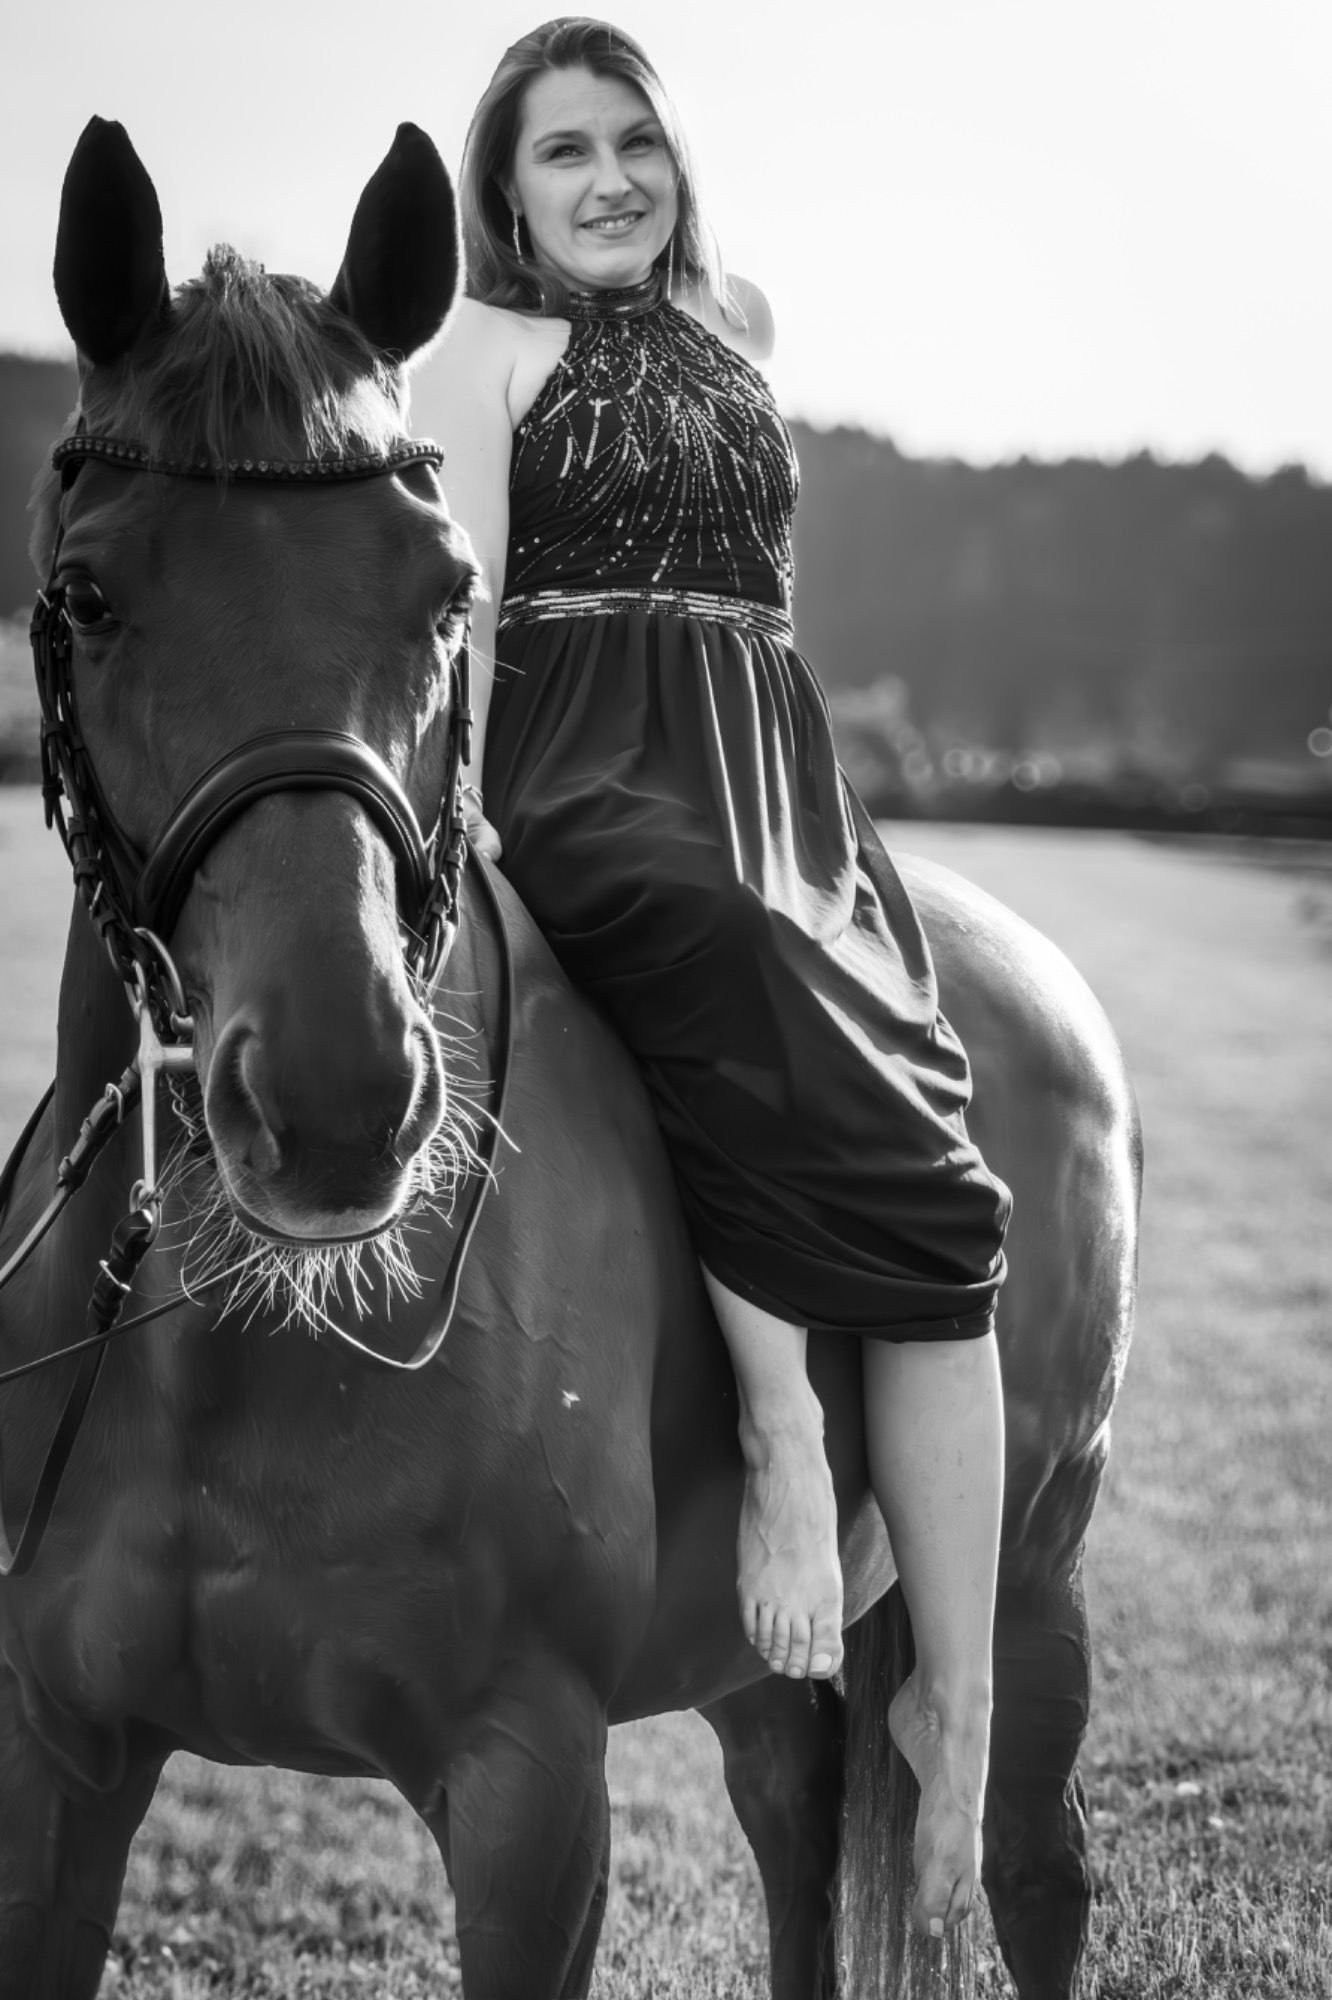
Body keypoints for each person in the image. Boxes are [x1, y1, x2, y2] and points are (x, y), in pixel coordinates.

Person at [429, 17, 1010, 1938]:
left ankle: (963, 1706)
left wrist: (794, 797)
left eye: (635, 145)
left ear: (678, 166)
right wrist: (473, 818)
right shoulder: (482, 348)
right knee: (728, 933)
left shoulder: (746, 314)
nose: (606, 179)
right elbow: (474, 613)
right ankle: (780, 1437)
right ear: (503, 189)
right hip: (587, 769)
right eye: (560, 152)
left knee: (937, 1152)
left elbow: (757, 577)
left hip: (767, 765)